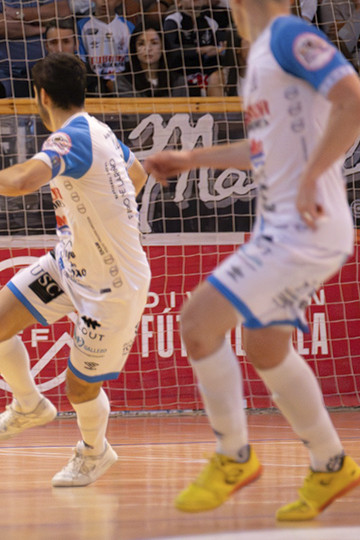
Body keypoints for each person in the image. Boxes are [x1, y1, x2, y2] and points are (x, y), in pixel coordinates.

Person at [143, 0, 360, 521]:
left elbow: (353, 99)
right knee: (265, 347)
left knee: (197, 323)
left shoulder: (287, 35)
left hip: (300, 227)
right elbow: (265, 148)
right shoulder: (262, 56)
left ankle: (233, 456)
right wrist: (192, 158)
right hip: (288, 227)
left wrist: (311, 178)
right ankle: (331, 463)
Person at [0, 52, 150, 487]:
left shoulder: (71, 138)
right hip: (69, 265)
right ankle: (28, 403)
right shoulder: (99, 130)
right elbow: (137, 174)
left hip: (113, 286)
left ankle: (94, 452)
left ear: (42, 96)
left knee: (80, 388)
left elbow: (22, 182)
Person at [76, 0, 135, 95]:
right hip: (93, 85)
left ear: (119, 2)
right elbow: (81, 61)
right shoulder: (81, 26)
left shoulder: (128, 27)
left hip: (122, 86)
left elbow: (131, 62)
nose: (104, 2)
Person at [116, 22, 172, 97]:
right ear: (134, 48)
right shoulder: (124, 81)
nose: (148, 49)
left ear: (163, 47)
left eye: (154, 43)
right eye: (141, 44)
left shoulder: (177, 81)